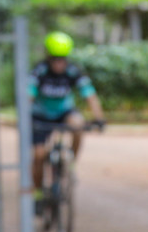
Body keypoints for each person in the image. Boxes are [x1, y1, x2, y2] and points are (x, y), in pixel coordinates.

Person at [30, 32, 104, 198]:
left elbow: (90, 95)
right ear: (48, 57)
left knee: (78, 124)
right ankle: (38, 193)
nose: (59, 63)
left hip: (64, 112)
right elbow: (28, 95)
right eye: (55, 59)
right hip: (40, 116)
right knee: (39, 154)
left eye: (62, 59)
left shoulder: (73, 71)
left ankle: (71, 162)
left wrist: (99, 118)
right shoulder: (39, 71)